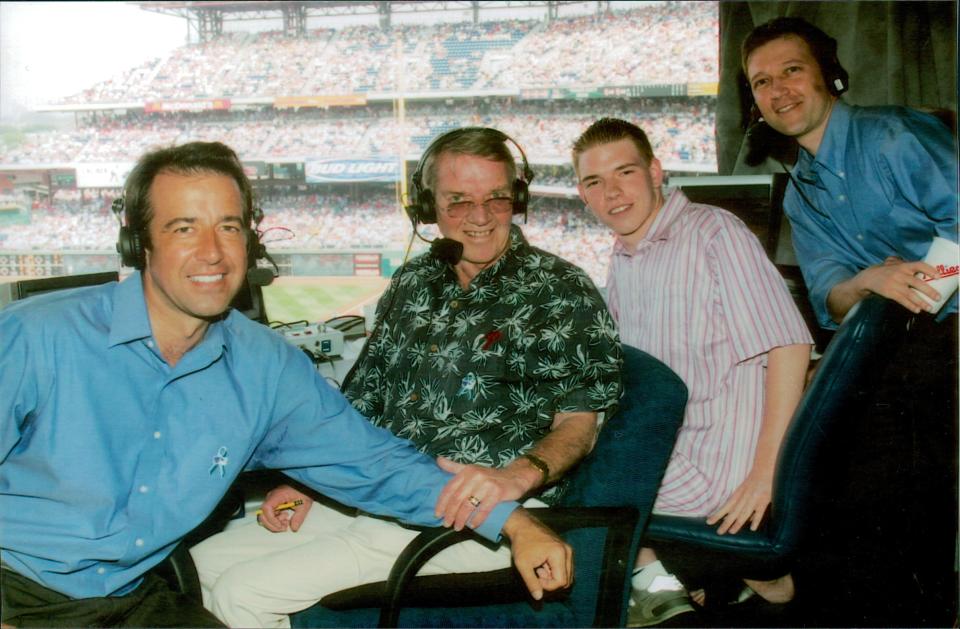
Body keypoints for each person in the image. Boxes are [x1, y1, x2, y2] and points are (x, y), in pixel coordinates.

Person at [0, 141, 572, 628]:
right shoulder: (35, 336)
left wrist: (515, 523)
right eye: (183, 228)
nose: (212, 253)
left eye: (228, 226)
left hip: (132, 599)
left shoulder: (266, 366)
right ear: (139, 243)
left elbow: (375, 465)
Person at [190, 128, 622, 627]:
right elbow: (359, 402)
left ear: (517, 200)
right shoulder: (414, 282)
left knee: (244, 594)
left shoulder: (561, 290)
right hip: (384, 492)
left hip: (474, 518)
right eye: (458, 202)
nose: (479, 218)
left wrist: (515, 477)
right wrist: (307, 481)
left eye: (496, 199)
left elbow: (579, 425)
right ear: (427, 206)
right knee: (198, 569)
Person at [742, 17, 958, 623]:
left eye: (792, 71)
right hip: (897, 339)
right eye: (762, 82)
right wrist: (867, 280)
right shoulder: (800, 190)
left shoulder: (893, 136)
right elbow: (830, 297)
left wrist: (915, 286)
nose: (779, 90)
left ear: (828, 75)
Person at [572, 118, 813, 626]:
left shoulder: (713, 231)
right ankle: (720, 575)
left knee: (557, 480)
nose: (612, 193)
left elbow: (789, 345)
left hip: (715, 472)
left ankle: (663, 589)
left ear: (656, 172)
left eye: (625, 173)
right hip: (679, 444)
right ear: (582, 194)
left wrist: (767, 474)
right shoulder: (627, 254)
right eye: (595, 182)